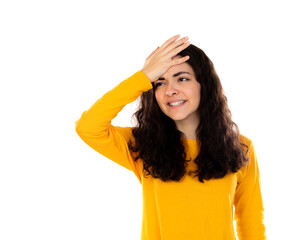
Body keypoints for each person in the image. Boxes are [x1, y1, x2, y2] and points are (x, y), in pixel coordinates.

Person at [75, 34, 266, 240]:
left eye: (182, 79)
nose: (170, 91)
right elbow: (88, 126)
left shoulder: (241, 147)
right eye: (159, 83)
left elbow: (251, 224)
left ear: (204, 84)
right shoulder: (142, 145)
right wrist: (143, 77)